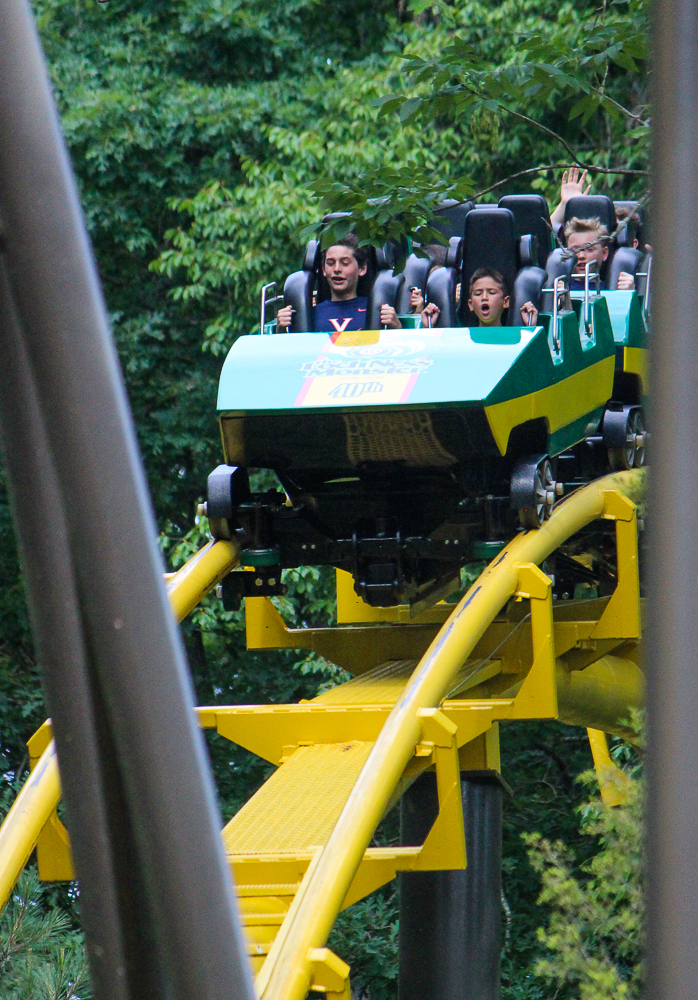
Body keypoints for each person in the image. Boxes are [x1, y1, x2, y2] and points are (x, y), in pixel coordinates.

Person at [277, 234, 403, 332]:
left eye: (345, 263)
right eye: (330, 263)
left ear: (362, 268)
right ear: (323, 270)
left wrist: (396, 327)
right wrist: (281, 329)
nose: (337, 269)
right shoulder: (307, 315)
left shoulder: (377, 312)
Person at [564, 217, 635, 290]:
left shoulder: (612, 289)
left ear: (604, 253)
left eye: (589, 249)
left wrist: (629, 292)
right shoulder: (561, 287)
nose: (581, 256)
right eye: (575, 250)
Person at [467, 268, 540, 327]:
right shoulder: (463, 338)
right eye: (478, 294)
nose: (484, 297)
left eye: (491, 293)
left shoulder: (512, 338)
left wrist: (530, 326)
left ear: (505, 302)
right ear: (470, 304)